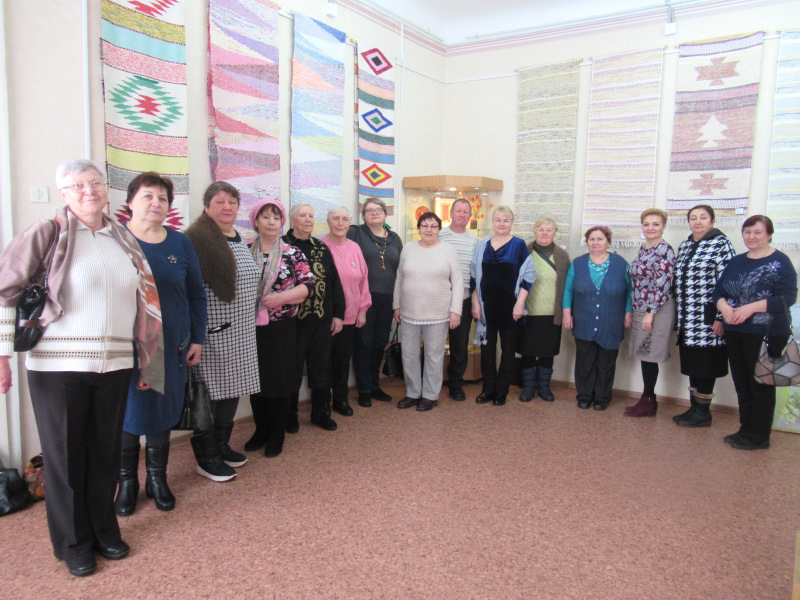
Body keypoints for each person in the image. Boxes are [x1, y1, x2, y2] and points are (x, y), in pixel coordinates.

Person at [0, 159, 164, 577]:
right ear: (63, 193)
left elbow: (145, 301)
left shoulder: (122, 239)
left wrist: (148, 361)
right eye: (77, 185)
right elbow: (4, 291)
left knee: (105, 454)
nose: (88, 191)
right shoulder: (47, 233)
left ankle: (105, 530)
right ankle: (74, 543)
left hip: (115, 364)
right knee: (66, 459)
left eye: (95, 183)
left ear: (106, 188)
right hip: (57, 366)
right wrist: (1, 355)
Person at [115, 172, 206, 516]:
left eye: (163, 198)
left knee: (161, 411)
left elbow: (196, 294)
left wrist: (197, 338)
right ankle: (127, 483)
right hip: (124, 347)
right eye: (148, 196)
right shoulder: (113, 239)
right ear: (130, 202)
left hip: (171, 347)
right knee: (126, 413)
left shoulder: (179, 243)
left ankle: (157, 479)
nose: (156, 203)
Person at [185, 182, 260, 481]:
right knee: (210, 396)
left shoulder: (239, 237)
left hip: (242, 330)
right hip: (213, 331)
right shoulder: (195, 239)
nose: (227, 207)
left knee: (233, 390)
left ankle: (221, 445)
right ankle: (206, 458)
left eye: (232, 202)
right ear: (206, 206)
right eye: (219, 202)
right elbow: (190, 289)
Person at [713, 215, 797, 450]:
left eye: (758, 232)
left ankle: (759, 436)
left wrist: (750, 308)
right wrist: (724, 307)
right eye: (747, 232)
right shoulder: (737, 261)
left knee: (760, 384)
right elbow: (718, 290)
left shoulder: (780, 261)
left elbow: (787, 298)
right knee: (742, 382)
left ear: (769, 235)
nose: (751, 237)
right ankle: (745, 429)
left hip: (766, 332)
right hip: (735, 330)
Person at [245, 198, 314, 457]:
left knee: (279, 382)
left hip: (282, 329)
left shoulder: (292, 252)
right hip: (250, 328)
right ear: (256, 221)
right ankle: (260, 430)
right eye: (265, 217)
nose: (271, 222)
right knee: (255, 381)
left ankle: (277, 434)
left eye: (276, 217)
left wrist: (281, 298)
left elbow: (308, 287)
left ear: (282, 222)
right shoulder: (244, 250)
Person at [672, 205, 735, 427]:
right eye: (693, 218)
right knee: (693, 363)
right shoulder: (686, 245)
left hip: (709, 317)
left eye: (703, 217)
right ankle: (694, 409)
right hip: (687, 318)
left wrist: (721, 316)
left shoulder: (721, 244)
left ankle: (703, 413)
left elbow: (729, 282)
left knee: (707, 363)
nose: (697, 222)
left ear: (712, 221)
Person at [284, 203, 345, 432]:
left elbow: (334, 283)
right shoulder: (283, 246)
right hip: (292, 323)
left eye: (311, 215)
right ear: (292, 220)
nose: (308, 219)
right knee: (292, 371)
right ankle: (290, 416)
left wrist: (338, 314)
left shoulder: (321, 247)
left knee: (321, 369)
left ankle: (321, 413)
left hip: (321, 321)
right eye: (303, 215)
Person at [393, 212, 463, 411]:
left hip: (438, 313)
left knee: (433, 355)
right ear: (419, 228)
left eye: (433, 226)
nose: (429, 230)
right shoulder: (408, 248)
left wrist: (456, 310)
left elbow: (458, 281)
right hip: (409, 312)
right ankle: (413, 393)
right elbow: (399, 277)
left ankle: (430, 395)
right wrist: (396, 305)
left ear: (439, 229)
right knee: (409, 355)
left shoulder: (448, 250)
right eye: (424, 225)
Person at [562, 226, 632, 410]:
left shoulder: (620, 264)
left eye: (600, 239)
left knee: (606, 363)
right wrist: (567, 313)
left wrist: (628, 312)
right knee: (584, 361)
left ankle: (602, 397)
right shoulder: (577, 263)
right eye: (591, 239)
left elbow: (631, 290)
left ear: (608, 242)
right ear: (587, 242)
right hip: (583, 320)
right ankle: (584, 396)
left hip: (612, 321)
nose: (595, 242)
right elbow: (568, 290)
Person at [471, 206, 535, 406]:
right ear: (492, 222)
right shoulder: (482, 245)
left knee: (508, 352)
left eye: (506, 220)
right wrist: (475, 303)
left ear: (511, 223)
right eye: (498, 220)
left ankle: (501, 392)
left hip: (510, 308)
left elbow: (529, 277)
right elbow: (473, 277)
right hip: (486, 308)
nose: (501, 224)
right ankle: (487, 389)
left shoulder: (519, 245)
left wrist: (519, 304)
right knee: (487, 351)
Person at [347, 197, 403, 407]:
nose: (374, 213)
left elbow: (401, 271)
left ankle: (374, 385)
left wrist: (399, 302)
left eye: (378, 209)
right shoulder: (356, 233)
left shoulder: (395, 238)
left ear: (385, 213)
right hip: (364, 298)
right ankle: (363, 389)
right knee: (363, 342)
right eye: (369, 210)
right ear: (363, 215)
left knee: (380, 342)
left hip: (388, 298)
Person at [624, 209, 676, 417]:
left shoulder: (665, 250)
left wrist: (650, 312)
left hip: (656, 310)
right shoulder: (644, 248)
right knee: (645, 355)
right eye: (646, 224)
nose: (650, 228)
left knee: (650, 354)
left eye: (656, 224)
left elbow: (663, 284)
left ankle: (649, 400)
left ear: (663, 227)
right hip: (641, 307)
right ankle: (647, 399)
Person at [321, 207, 371, 416]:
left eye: (344, 219)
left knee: (343, 361)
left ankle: (341, 399)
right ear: (328, 222)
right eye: (335, 219)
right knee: (324, 362)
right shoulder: (320, 246)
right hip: (326, 317)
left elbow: (364, 279)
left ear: (350, 223)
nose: (340, 223)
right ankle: (323, 403)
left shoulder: (355, 247)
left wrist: (362, 310)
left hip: (350, 316)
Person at [519, 218, 570, 402]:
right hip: (528, 313)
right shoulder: (523, 251)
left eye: (549, 230)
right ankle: (528, 388)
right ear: (534, 231)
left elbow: (568, 286)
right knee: (527, 352)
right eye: (541, 229)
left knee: (547, 353)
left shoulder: (562, 256)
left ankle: (544, 387)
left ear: (554, 233)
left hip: (552, 314)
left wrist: (566, 312)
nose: (545, 233)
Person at [438, 198, 478, 401]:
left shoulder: (475, 241)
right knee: (434, 343)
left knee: (459, 345)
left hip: (463, 299)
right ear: (451, 213)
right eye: (458, 211)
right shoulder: (439, 236)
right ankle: (431, 383)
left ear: (470, 216)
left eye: (466, 212)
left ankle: (456, 384)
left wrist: (475, 301)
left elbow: (477, 273)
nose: (462, 215)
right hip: (439, 297)